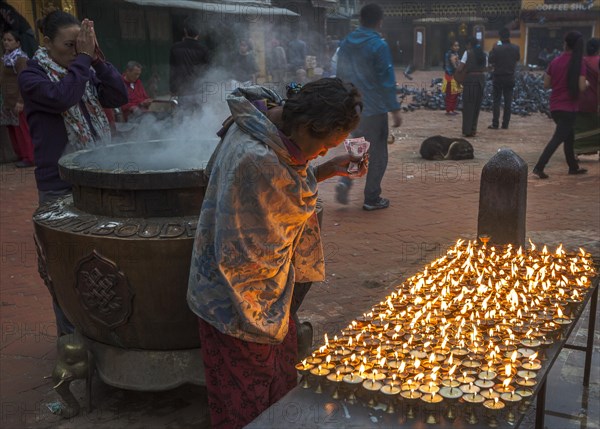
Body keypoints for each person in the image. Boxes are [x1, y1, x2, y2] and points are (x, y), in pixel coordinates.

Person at [187, 78, 364, 429]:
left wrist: (326, 169)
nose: (324, 153)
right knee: (246, 400)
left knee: (278, 384)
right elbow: (287, 208)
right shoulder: (258, 159)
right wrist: (318, 174)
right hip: (240, 303)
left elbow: (289, 178)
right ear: (307, 126)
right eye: (325, 146)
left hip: (257, 297)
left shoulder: (259, 120)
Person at [18, 10, 127, 335]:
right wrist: (82, 61)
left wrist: (96, 61)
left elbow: (118, 96)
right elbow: (64, 97)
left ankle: (107, 334)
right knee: (66, 272)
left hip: (98, 178)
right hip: (59, 188)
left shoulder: (82, 69)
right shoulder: (32, 75)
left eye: (81, 44)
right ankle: (73, 344)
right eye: (69, 45)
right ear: (47, 43)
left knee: (106, 266)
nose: (75, 51)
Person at [334, 2, 402, 211]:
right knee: (378, 153)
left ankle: (345, 182)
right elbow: (386, 80)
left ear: (360, 20)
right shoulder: (378, 45)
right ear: (379, 22)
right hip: (374, 109)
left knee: (357, 147)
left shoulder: (346, 43)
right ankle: (372, 198)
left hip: (353, 108)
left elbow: (340, 76)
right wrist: (395, 109)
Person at [532, 31, 588, 179]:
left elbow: (546, 84)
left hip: (555, 106)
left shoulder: (555, 62)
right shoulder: (579, 62)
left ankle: (573, 167)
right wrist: (587, 83)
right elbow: (582, 87)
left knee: (569, 137)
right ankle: (539, 166)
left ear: (565, 44)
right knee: (558, 138)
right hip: (569, 107)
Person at [1, 30, 33, 167]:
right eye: (4, 40)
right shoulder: (5, 58)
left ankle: (30, 157)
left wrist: (21, 101)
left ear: (18, 43)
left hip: (18, 101)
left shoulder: (21, 59)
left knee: (23, 129)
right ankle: (20, 154)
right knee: (12, 129)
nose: (6, 42)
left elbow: (24, 81)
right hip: (8, 100)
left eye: (10, 40)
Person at [169, 17, 209, 100]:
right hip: (198, 88)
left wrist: (172, 89)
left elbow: (172, 70)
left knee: (183, 112)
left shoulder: (175, 47)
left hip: (181, 88)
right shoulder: (203, 49)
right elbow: (207, 71)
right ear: (199, 33)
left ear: (185, 31)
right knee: (199, 112)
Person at [488, 28, 520, 130]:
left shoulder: (497, 48)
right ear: (509, 36)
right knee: (508, 102)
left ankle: (495, 123)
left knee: (496, 101)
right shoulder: (516, 48)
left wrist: (493, 49)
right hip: (510, 77)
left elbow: (490, 60)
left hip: (498, 77)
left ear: (500, 37)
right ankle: (505, 124)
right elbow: (517, 58)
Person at [574, 38, 599, 155]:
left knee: (579, 126)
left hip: (579, 100)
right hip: (595, 99)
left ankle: (576, 152)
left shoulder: (580, 61)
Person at [460, 36, 487, 137]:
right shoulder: (484, 54)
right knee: (476, 106)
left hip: (470, 80)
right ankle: (473, 130)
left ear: (469, 44)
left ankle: (467, 130)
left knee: (468, 106)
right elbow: (485, 68)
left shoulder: (468, 53)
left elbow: (459, 68)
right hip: (481, 80)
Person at [442, 40, 461, 115]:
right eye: (455, 45)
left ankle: (451, 109)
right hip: (451, 76)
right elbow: (455, 65)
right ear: (451, 46)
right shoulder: (451, 54)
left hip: (451, 75)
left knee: (453, 93)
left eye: (457, 45)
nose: (457, 47)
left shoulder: (453, 53)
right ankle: (449, 110)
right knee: (452, 94)